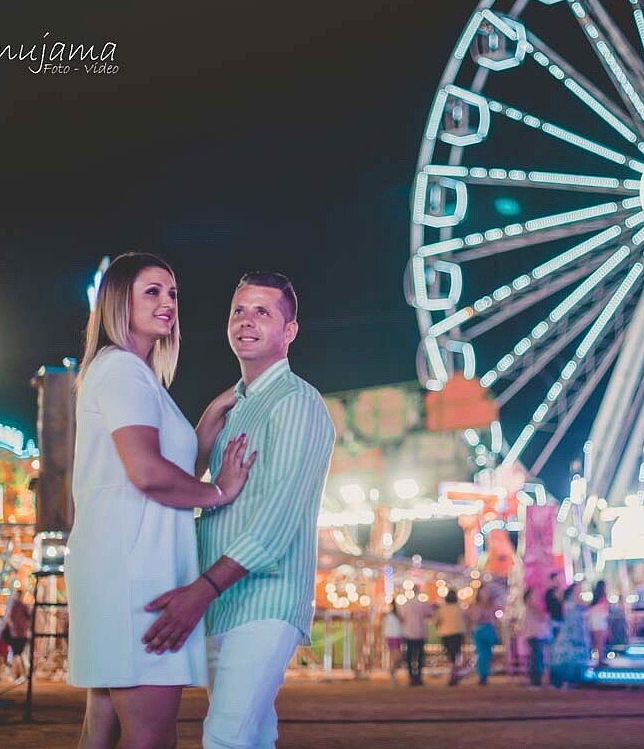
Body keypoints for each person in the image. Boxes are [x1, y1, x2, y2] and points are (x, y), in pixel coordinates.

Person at [66, 253, 256, 749]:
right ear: (117, 301)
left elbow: (164, 473)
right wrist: (220, 493)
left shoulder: (136, 376)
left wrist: (207, 426)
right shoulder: (124, 371)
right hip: (135, 570)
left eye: (172, 293)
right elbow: (147, 473)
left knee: (103, 728)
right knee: (151, 737)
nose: (168, 302)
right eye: (152, 291)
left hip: (123, 561)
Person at [139, 271, 334, 749]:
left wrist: (200, 591)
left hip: (265, 601)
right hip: (225, 602)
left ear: (289, 331)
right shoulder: (235, 408)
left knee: (226, 737)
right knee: (250, 736)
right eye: (238, 310)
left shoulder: (295, 403)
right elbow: (188, 488)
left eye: (262, 312)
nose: (246, 321)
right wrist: (207, 422)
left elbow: (276, 523)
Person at [549, 584, 590, 688]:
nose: (580, 590)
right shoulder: (572, 600)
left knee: (572, 654)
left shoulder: (572, 600)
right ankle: (565, 679)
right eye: (578, 588)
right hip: (570, 630)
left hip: (576, 630)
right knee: (567, 654)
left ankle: (572, 679)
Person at [399, 586, 433, 686]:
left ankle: (411, 677)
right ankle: (418, 677)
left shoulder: (406, 604)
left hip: (409, 633)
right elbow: (429, 614)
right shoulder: (422, 604)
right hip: (420, 633)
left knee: (410, 657)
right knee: (420, 657)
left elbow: (402, 617)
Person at [521, 587, 552, 686]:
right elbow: (543, 617)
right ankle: (535, 681)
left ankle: (535, 680)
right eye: (535, 594)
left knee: (536, 658)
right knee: (536, 659)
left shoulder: (530, 607)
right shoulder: (532, 607)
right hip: (535, 635)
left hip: (534, 635)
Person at [469, 584, 499, 686]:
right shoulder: (476, 605)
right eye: (483, 591)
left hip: (489, 630)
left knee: (488, 654)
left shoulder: (493, 604)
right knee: (481, 654)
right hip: (479, 631)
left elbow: (496, 617)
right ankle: (483, 676)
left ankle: (485, 674)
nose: (485, 593)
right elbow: (474, 618)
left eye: (487, 591)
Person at [436, 589, 467, 685]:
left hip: (445, 634)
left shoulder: (442, 608)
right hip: (457, 634)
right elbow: (465, 621)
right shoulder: (459, 608)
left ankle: (452, 673)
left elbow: (437, 622)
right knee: (455, 655)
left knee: (450, 655)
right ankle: (454, 673)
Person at [586, 580, 610, 667]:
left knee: (598, 643)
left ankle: (600, 660)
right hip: (598, 622)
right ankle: (600, 661)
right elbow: (604, 610)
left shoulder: (597, 598)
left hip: (598, 622)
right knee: (599, 643)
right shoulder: (601, 598)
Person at [382, 601, 403, 685]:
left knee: (396, 658)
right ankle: (392, 675)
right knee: (396, 658)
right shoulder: (391, 616)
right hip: (393, 637)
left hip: (395, 637)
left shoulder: (393, 616)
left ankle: (393, 676)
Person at [544, 572, 564, 641]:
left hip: (563, 620)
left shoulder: (562, 591)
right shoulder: (549, 593)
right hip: (553, 621)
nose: (558, 581)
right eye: (556, 579)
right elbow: (548, 607)